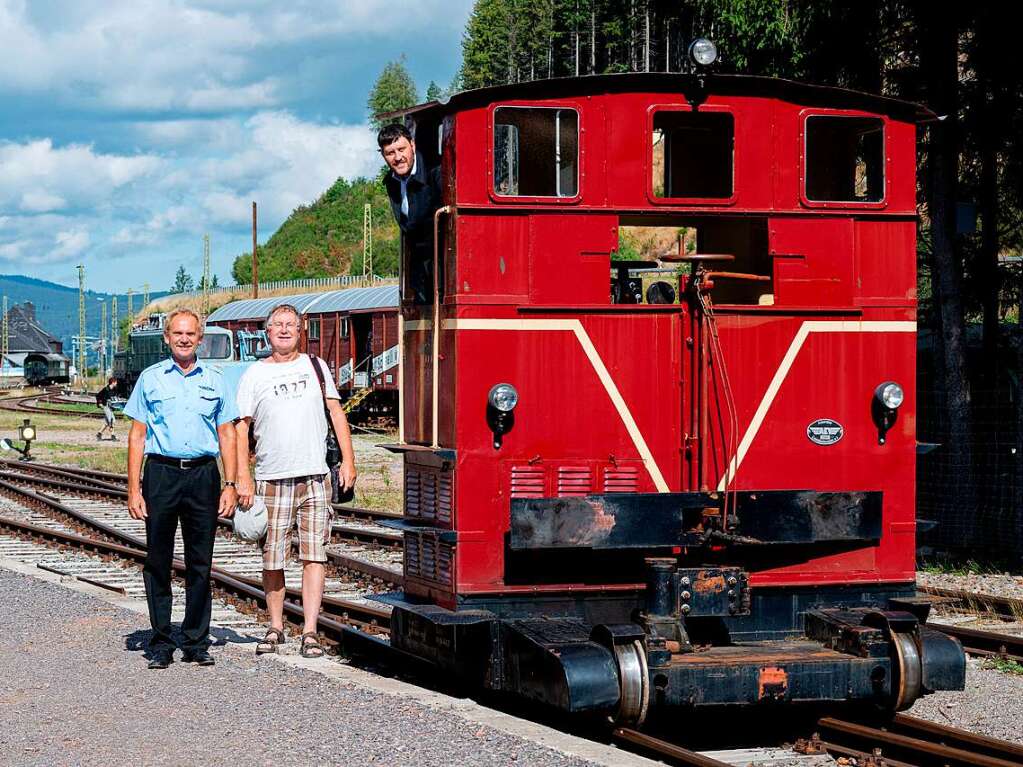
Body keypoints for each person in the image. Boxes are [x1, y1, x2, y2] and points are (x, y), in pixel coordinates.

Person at [235, 304, 356, 658]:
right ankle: (275, 626)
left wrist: (348, 461)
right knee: (273, 558)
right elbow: (242, 427)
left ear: (300, 331)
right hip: (271, 478)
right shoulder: (254, 374)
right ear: (268, 332)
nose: (284, 330)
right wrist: (242, 475)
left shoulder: (316, 367)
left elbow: (336, 412)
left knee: (314, 556)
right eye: (278, 325)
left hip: (315, 476)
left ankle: (310, 631)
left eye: (291, 325)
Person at [124, 309, 238, 669]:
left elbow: (227, 434)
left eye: (191, 334)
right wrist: (133, 488)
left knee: (200, 561)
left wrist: (232, 484)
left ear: (200, 339)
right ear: (167, 338)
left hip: (203, 476)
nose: (185, 339)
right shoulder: (151, 378)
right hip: (161, 475)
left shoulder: (216, 380)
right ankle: (160, 641)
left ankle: (195, 640)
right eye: (178, 333)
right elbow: (137, 435)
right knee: (158, 560)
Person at [378, 123, 442, 303]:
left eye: (401, 149)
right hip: (417, 268)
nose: (398, 157)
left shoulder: (436, 172)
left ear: (412, 146)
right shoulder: (391, 182)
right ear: (383, 156)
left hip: (441, 262)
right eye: (390, 153)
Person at [96, 377, 119, 441]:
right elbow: (98, 396)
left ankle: (99, 434)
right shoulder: (105, 389)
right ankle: (113, 435)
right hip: (106, 406)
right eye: (116, 382)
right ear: (113, 382)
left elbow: (113, 398)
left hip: (110, 407)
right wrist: (99, 403)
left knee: (106, 423)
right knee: (112, 420)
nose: (116, 383)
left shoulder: (114, 389)